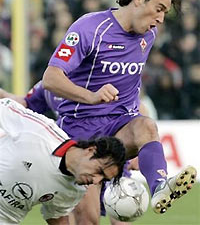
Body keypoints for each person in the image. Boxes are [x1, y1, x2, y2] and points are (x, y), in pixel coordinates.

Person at [41, 0, 198, 224]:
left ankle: (159, 186)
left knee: (147, 126)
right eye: (158, 8)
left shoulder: (148, 35)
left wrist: (140, 151)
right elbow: (51, 78)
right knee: (88, 220)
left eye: (164, 13)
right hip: (82, 132)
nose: (160, 19)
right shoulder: (90, 28)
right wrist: (91, 97)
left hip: (120, 127)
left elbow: (131, 84)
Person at [0, 83, 139, 225]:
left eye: (103, 179)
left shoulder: (74, 192)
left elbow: (56, 217)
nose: (96, 181)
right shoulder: (40, 131)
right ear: (91, 150)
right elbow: (4, 107)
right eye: (99, 171)